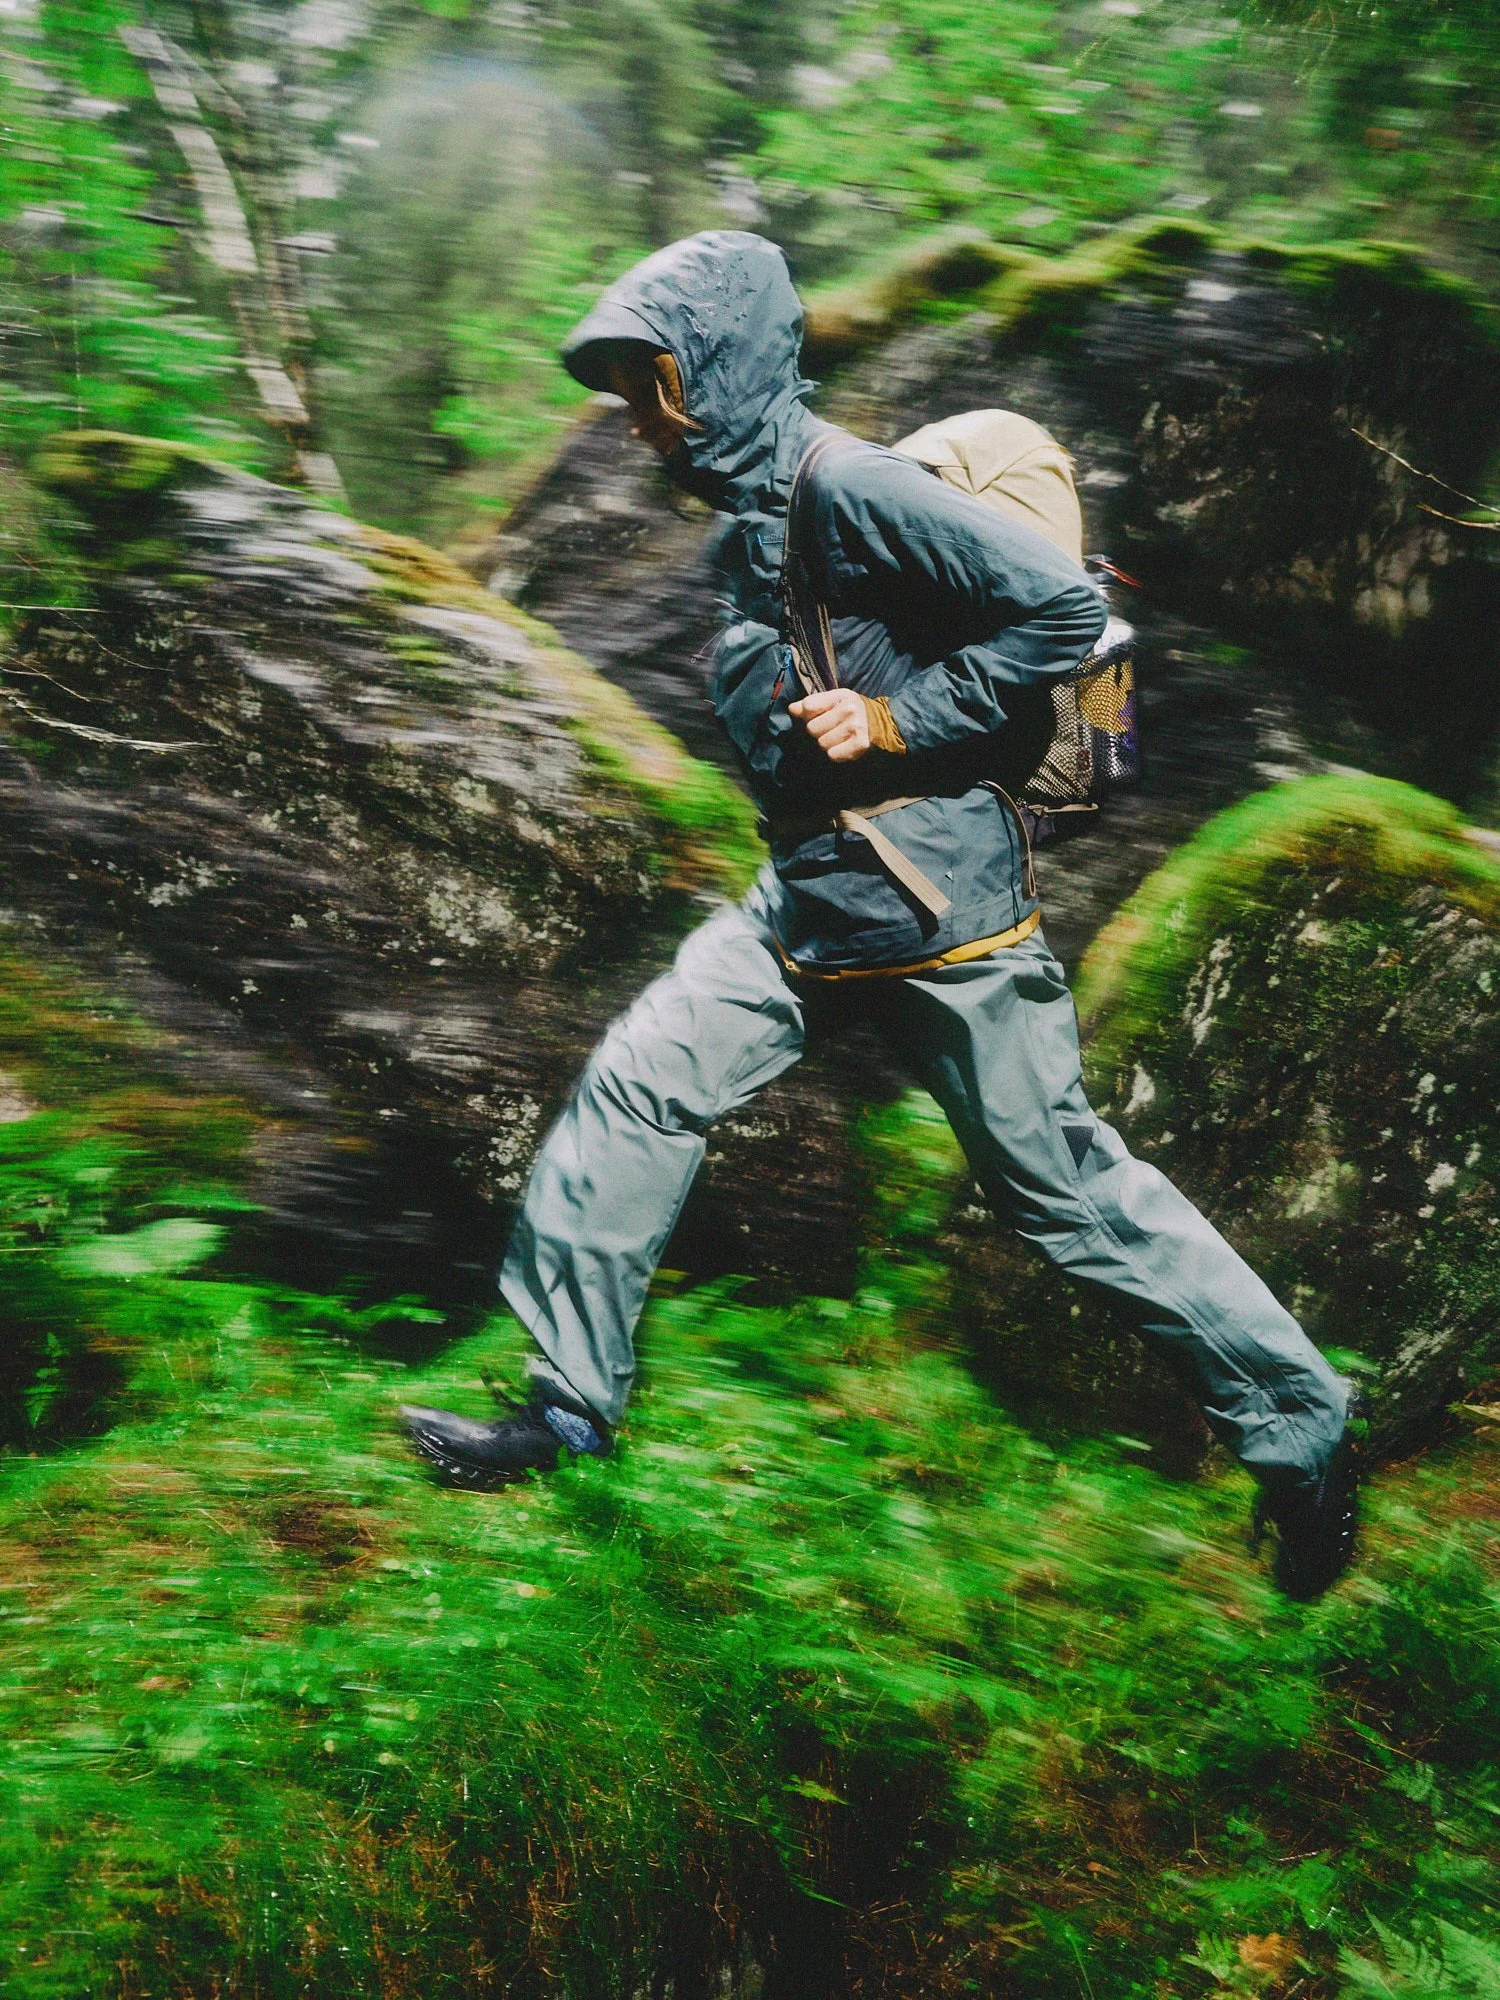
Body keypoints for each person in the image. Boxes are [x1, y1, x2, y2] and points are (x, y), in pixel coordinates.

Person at [402, 230, 1364, 1600]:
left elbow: (1056, 614)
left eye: (647, 384)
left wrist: (902, 715)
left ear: (713, 369)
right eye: (622, 391)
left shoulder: (846, 482)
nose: (633, 421)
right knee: (636, 1090)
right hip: (804, 902)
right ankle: (568, 1412)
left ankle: (1306, 1429)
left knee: (1062, 1196)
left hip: (943, 916)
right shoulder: (750, 512)